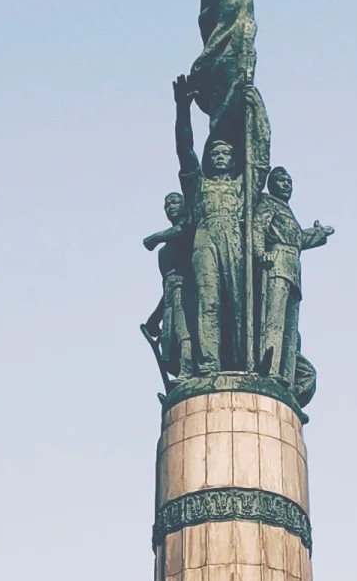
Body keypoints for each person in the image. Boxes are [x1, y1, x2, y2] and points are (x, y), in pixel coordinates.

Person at [173, 74, 264, 373]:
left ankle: (239, 360)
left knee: (237, 303)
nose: (220, 156)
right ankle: (209, 364)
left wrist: (257, 111)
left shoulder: (242, 187)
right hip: (205, 238)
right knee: (208, 300)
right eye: (215, 153)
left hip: (234, 239)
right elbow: (185, 150)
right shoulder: (198, 186)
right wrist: (182, 110)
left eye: (226, 153)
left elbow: (261, 159)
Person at [258, 166, 333, 387]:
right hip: (277, 264)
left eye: (289, 181)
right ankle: (270, 369)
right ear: (272, 184)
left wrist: (319, 233)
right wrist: (261, 253)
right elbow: (258, 228)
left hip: (293, 268)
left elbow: (298, 238)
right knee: (275, 320)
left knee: (290, 328)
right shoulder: (268, 204)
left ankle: (286, 379)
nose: (286, 184)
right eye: (281, 180)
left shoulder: (287, 211)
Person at [142, 192, 194, 383]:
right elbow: (166, 290)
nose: (170, 207)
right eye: (167, 205)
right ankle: (180, 372)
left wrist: (156, 237)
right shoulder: (164, 252)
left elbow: (184, 230)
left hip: (187, 289)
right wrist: (154, 318)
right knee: (170, 338)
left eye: (175, 202)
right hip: (171, 293)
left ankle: (188, 369)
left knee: (184, 331)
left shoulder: (189, 232)